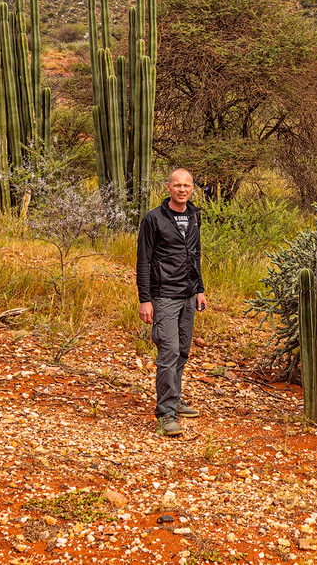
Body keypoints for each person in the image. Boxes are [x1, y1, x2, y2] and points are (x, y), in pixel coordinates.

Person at [136, 167, 207, 437]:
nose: (182, 189)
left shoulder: (194, 216)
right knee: (169, 353)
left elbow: (195, 255)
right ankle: (166, 414)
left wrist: (199, 289)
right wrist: (145, 299)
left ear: (192, 188)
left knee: (183, 351)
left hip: (188, 294)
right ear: (168, 187)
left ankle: (175, 398)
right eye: (177, 185)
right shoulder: (154, 219)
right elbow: (143, 260)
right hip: (164, 296)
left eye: (187, 185)